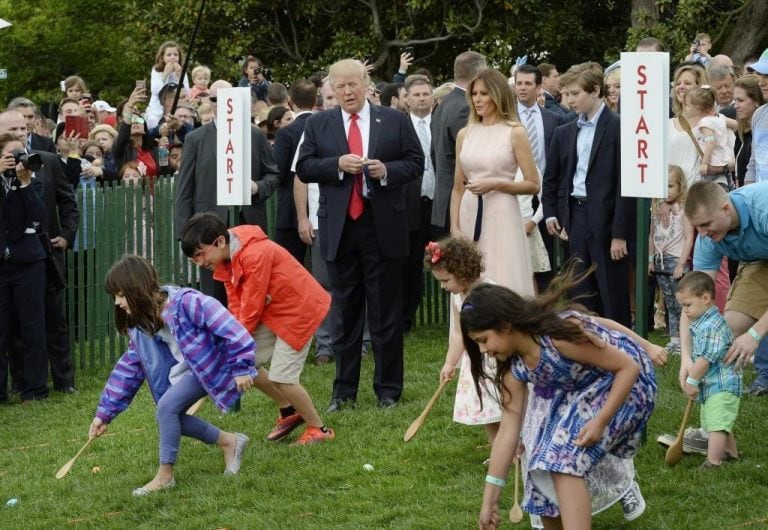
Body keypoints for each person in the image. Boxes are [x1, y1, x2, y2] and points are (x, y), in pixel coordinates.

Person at [460, 273, 657, 530]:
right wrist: (489, 502)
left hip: (629, 382)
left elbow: (627, 367)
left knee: (563, 460)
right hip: (581, 389)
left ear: (505, 325)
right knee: (538, 469)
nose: (483, 350)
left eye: (483, 340)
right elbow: (507, 435)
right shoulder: (514, 370)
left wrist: (601, 420)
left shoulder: (558, 338)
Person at [296, 58, 423, 411]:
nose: (348, 92)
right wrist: (336, 165)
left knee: (384, 312)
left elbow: (415, 163)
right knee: (345, 312)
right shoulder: (320, 124)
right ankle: (343, 392)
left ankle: (388, 390)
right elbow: (304, 168)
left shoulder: (394, 120)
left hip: (381, 224)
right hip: (339, 228)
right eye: (341, 86)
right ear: (331, 90)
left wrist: (386, 171)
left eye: (353, 84)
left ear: (366, 84)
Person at [88, 255, 253, 496]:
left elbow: (232, 329)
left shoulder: (188, 302)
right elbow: (129, 369)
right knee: (169, 415)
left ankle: (165, 476)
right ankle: (230, 441)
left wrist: (242, 367)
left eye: (121, 294)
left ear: (137, 288)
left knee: (167, 409)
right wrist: (104, 414)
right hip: (188, 370)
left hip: (214, 364)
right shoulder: (141, 324)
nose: (117, 302)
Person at [181, 212, 335, 445]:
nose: (201, 262)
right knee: (246, 363)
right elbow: (236, 303)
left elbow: (251, 309)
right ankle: (288, 409)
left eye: (201, 255)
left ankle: (319, 429)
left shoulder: (253, 255)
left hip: (298, 311)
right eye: (195, 260)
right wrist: (229, 342)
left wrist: (235, 344)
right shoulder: (227, 258)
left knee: (283, 377)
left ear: (219, 242)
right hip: (272, 309)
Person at [542, 62, 634, 326]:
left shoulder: (618, 128)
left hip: (606, 219)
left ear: (595, 91)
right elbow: (552, 179)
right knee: (579, 291)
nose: (569, 100)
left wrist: (619, 234)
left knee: (611, 291)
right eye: (566, 94)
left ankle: (620, 349)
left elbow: (624, 186)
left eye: (575, 93)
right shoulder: (565, 131)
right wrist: (551, 215)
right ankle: (585, 349)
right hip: (575, 217)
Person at [174, 79, 280, 304]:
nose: (221, 103)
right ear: (208, 101)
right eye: (215, 98)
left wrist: (257, 187)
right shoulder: (196, 139)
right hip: (209, 232)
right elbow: (184, 191)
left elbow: (273, 175)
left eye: (227, 97)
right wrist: (185, 236)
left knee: (253, 295)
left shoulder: (254, 135)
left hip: (247, 227)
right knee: (214, 300)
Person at [450, 68, 539, 299]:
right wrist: (455, 226)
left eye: (484, 93)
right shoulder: (465, 134)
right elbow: (458, 187)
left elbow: (533, 184)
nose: (477, 99)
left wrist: (496, 184)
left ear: (498, 95)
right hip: (469, 215)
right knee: (469, 277)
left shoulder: (515, 132)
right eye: (474, 94)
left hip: (502, 214)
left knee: (503, 274)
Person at [425, 237, 501, 445]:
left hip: (495, 357)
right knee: (487, 409)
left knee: (504, 406)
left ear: (462, 272)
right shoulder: (457, 296)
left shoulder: (489, 291)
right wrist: (450, 363)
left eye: (446, 281)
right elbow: (459, 333)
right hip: (475, 359)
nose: (443, 287)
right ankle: (497, 448)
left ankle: (514, 448)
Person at [0, 133, 48, 403]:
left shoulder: (31, 182)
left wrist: (25, 183)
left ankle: (35, 389)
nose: (18, 159)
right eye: (11, 154)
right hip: (1, 263)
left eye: (21, 153)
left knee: (33, 327)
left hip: (29, 261)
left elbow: (39, 216)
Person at [676, 271, 741, 469]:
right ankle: (731, 453)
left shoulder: (712, 326)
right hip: (713, 384)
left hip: (722, 384)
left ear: (705, 298)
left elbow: (705, 360)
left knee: (717, 423)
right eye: (682, 306)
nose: (685, 311)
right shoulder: (702, 322)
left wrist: (692, 381)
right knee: (718, 420)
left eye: (688, 305)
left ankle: (713, 462)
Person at [431, 51, 487, 237]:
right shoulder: (465, 107)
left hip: (445, 197)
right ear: (479, 73)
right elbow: (472, 159)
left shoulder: (445, 102)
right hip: (460, 200)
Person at [649, 165, 694, 355]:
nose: (666, 191)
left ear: (680, 186)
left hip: (676, 261)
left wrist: (681, 264)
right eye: (662, 186)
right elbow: (651, 235)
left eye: (670, 186)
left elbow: (688, 237)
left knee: (680, 302)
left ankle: (685, 341)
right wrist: (651, 259)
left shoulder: (684, 210)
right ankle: (674, 340)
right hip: (660, 260)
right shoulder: (656, 208)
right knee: (668, 301)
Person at [686, 87, 735, 189]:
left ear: (698, 109)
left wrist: (704, 163)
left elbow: (710, 141)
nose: (686, 108)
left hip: (713, 164)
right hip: (725, 161)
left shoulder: (705, 123)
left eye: (687, 105)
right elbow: (735, 124)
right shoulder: (720, 117)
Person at [146, 41, 190, 129]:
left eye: (175, 55)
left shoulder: (182, 72)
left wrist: (179, 76)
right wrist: (165, 74)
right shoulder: (156, 70)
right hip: (157, 107)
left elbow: (187, 93)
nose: (173, 57)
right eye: (169, 55)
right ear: (162, 57)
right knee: (153, 120)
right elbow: (155, 90)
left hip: (177, 106)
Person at [733, 75, 764, 187]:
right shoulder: (742, 133)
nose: (735, 106)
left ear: (756, 100)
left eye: (740, 100)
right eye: (735, 100)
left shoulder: (762, 135)